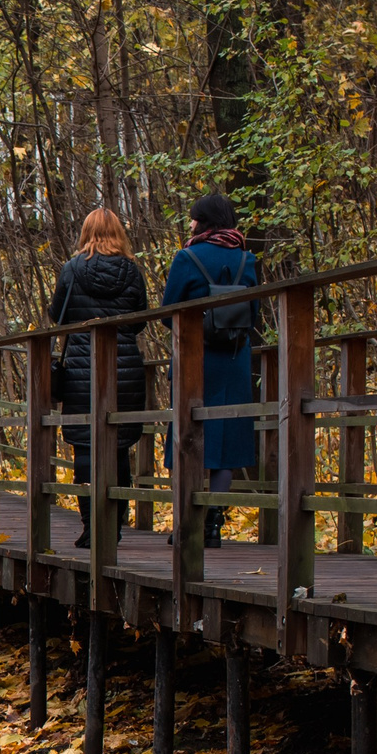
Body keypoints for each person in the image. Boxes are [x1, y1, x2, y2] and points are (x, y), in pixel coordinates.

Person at [47, 207, 150, 550]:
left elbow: (57, 317)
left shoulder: (72, 269)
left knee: (85, 446)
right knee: (119, 444)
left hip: (81, 366)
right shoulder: (132, 271)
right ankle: (115, 525)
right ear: (119, 233)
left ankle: (92, 526)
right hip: (125, 369)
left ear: (86, 233)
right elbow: (139, 321)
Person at [161, 194, 261, 548]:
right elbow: (255, 312)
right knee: (228, 442)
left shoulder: (187, 258)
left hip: (195, 357)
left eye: (192, 218)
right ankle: (212, 526)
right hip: (234, 358)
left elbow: (166, 309)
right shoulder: (246, 258)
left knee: (186, 439)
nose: (189, 224)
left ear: (203, 221)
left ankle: (187, 523)